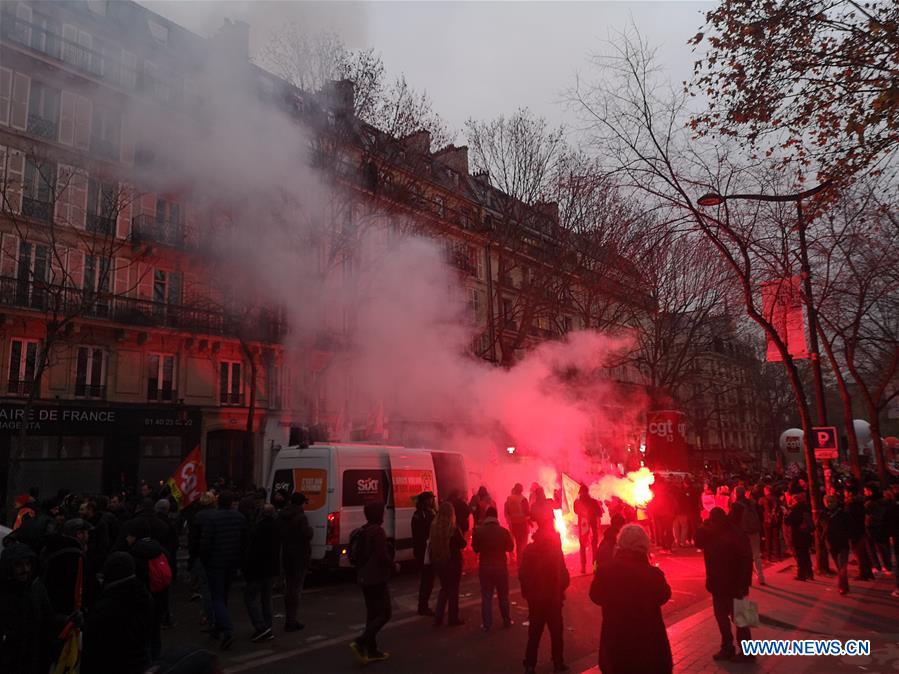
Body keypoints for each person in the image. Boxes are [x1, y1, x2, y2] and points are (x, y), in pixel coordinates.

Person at [590, 524, 672, 674]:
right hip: (648, 646)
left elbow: (595, 595)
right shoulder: (653, 575)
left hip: (615, 645)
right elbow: (664, 595)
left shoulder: (606, 571)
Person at [695, 507, 754, 663]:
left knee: (723, 618)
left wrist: (703, 526)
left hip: (721, 583)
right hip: (734, 583)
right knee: (742, 619)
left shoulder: (711, 532)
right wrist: (745, 582)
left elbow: (698, 541)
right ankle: (746, 651)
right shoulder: (735, 531)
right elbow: (747, 558)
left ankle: (728, 648)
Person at [81, 552, 153, 674]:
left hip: (112, 665)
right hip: (140, 663)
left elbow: (92, 647)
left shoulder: (107, 607)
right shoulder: (143, 596)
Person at [519, 520, 570, 674]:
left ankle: (530, 665)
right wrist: (560, 591)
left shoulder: (528, 550)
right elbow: (564, 577)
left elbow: (522, 575)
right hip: (553, 599)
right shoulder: (555, 551)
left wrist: (527, 594)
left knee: (534, 633)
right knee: (556, 633)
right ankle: (558, 663)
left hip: (535, 600)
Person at [200, 491, 248, 650]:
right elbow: (244, 542)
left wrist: (205, 560)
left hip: (215, 563)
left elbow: (206, 543)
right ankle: (219, 626)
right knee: (224, 595)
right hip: (232, 562)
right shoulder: (240, 518)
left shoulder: (212, 518)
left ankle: (227, 629)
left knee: (217, 597)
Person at [350, 501, 394, 664]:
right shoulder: (378, 532)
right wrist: (393, 565)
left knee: (372, 614)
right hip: (376, 578)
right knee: (385, 613)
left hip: (363, 576)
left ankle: (372, 650)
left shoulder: (363, 530)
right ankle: (361, 642)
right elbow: (382, 556)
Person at [0, 542, 53, 674]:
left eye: (28, 564)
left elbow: (48, 620)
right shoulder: (4, 594)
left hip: (33, 659)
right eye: (18, 565)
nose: (25, 569)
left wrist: (67, 621)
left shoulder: (36, 589)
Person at [126, 518, 168, 659]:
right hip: (160, 598)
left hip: (143, 602)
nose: (127, 538)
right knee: (156, 635)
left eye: (129, 535)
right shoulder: (160, 550)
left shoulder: (134, 555)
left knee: (143, 638)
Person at [472, 505, 514, 631]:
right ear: (496, 517)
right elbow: (510, 548)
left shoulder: (479, 531)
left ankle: (487, 624)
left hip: (485, 567)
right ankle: (506, 621)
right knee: (503, 596)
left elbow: (475, 549)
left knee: (486, 597)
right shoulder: (503, 531)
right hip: (500, 567)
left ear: (486, 517)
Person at [244, 504, 281, 642]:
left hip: (258, 568)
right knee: (267, 598)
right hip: (271, 568)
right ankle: (268, 626)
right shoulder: (277, 527)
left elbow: (251, 550)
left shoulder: (257, 529)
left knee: (251, 598)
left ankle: (261, 627)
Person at [278, 492, 313, 632]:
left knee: (289, 587)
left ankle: (289, 619)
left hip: (286, 553)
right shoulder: (301, 517)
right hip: (299, 555)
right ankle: (291, 620)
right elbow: (307, 534)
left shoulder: (282, 515)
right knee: (296, 589)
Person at [430, 500, 467, 626]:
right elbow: (463, 544)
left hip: (439, 561)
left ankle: (438, 618)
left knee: (444, 589)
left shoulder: (434, 527)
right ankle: (453, 618)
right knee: (453, 590)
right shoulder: (453, 528)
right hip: (453, 561)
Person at [730, 486, 765, 585]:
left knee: (744, 556)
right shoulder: (752, 503)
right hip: (755, 531)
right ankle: (761, 577)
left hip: (743, 533)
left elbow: (732, 520)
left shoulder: (736, 505)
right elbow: (760, 516)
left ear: (736, 494)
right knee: (756, 555)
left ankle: (746, 578)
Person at [411, 491, 436, 616]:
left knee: (427, 579)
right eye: (431, 499)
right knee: (428, 579)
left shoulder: (418, 514)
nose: (433, 502)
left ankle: (423, 605)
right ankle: (423, 606)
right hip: (425, 551)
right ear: (426, 501)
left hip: (422, 550)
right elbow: (427, 532)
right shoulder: (424, 514)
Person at [822, 495, 851, 595]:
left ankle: (842, 587)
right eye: (827, 502)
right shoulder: (824, 513)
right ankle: (845, 585)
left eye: (831, 501)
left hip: (842, 543)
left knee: (842, 566)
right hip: (831, 543)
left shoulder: (842, 513)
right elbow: (820, 526)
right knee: (839, 566)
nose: (829, 504)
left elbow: (849, 527)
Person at [785, 492, 814, 581]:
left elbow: (787, 521)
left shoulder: (795, 510)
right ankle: (810, 574)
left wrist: (787, 513)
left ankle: (801, 574)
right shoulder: (806, 508)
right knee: (806, 554)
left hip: (798, 535)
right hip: (806, 535)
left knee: (800, 556)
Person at [573, 484, 602, 574]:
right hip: (592, 524)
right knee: (594, 546)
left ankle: (583, 567)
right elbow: (599, 513)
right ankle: (595, 567)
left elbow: (575, 511)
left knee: (582, 545)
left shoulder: (577, 502)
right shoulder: (593, 501)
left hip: (584, 524)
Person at [504, 483, 530, 562]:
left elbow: (506, 512)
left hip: (513, 524)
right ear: (521, 490)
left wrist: (509, 521)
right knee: (523, 544)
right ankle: (522, 560)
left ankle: (517, 560)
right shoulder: (523, 499)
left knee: (517, 543)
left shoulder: (509, 499)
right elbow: (527, 513)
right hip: (522, 524)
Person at [758, 486, 783, 561]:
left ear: (766, 491)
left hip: (767, 520)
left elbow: (759, 507)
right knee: (776, 538)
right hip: (776, 520)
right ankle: (778, 556)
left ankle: (769, 556)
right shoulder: (776, 499)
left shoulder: (762, 499)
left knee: (768, 538)